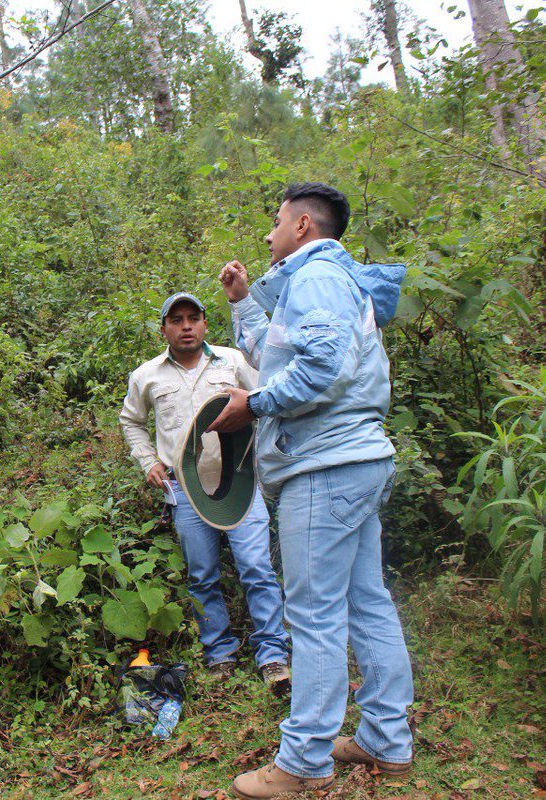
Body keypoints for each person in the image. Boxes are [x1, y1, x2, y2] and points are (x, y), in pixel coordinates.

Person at [207, 183, 413, 798]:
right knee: (365, 600)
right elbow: (283, 357)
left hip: (324, 468)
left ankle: (303, 761)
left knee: (315, 614)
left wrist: (255, 407)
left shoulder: (318, 276)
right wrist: (243, 304)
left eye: (274, 223)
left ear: (301, 226)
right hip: (353, 461)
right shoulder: (321, 283)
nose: (268, 235)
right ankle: (384, 738)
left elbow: (321, 369)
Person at [119, 292, 291, 690]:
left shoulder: (232, 361)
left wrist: (268, 452)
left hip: (242, 485)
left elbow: (268, 397)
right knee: (202, 576)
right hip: (185, 492)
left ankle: (273, 657)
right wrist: (149, 461)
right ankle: (220, 653)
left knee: (258, 570)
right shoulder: (147, 375)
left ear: (205, 324)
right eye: (176, 320)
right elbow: (131, 421)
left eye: (193, 318)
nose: (186, 326)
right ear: (163, 328)